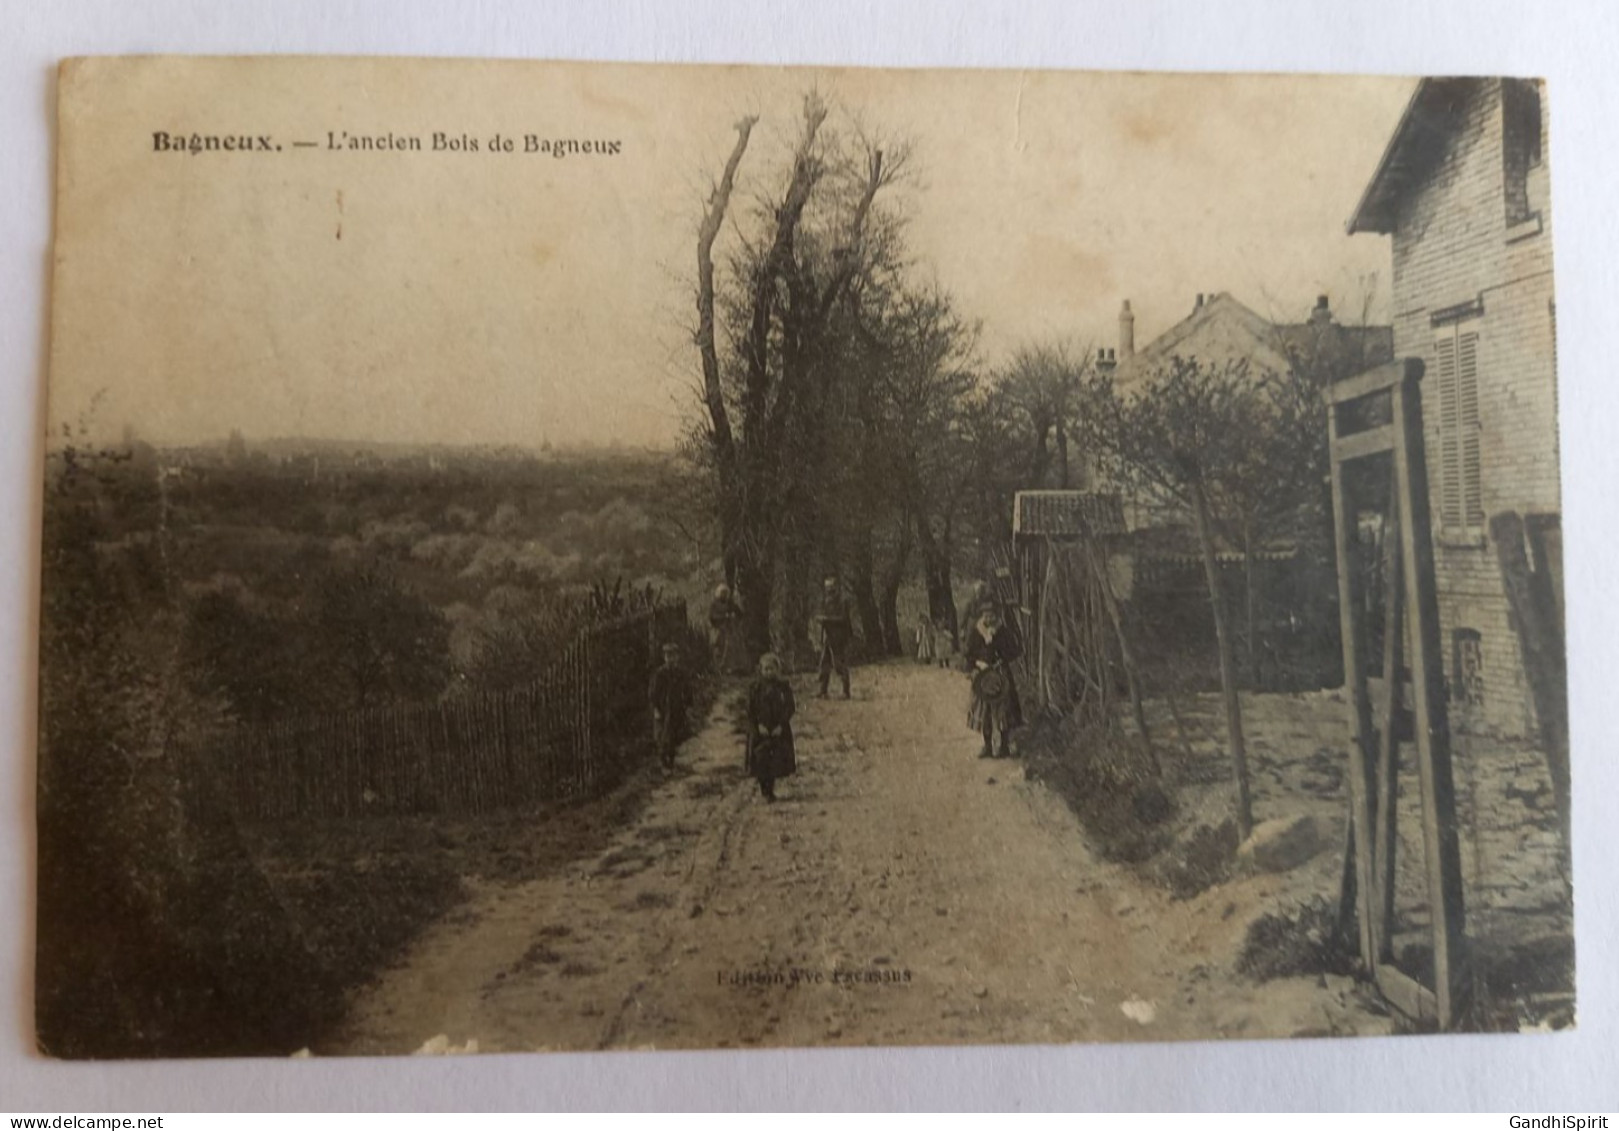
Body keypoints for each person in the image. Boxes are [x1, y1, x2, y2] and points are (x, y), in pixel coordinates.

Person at [965, 604, 1024, 759]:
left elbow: (1014, 651)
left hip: (1000, 674)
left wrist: (1000, 658)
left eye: (991, 615)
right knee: (984, 711)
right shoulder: (976, 633)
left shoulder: (1002, 631)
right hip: (982, 676)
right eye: (985, 615)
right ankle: (987, 746)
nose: (989, 619)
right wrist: (977, 663)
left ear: (997, 616)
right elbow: (968, 654)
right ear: (981, 616)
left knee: (1003, 711)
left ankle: (1004, 746)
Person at [745, 652, 797, 802]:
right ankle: (764, 790)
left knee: (774, 759)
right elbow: (750, 709)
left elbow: (790, 707)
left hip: (778, 729)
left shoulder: (783, 687)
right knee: (760, 758)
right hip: (759, 730)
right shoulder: (755, 687)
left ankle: (771, 789)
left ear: (777, 670)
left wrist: (781, 724)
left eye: (772, 669)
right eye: (766, 669)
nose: (769, 672)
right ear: (760, 670)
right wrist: (758, 725)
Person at [648, 641, 692, 770]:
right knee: (662, 736)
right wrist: (656, 709)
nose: (671, 659)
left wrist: (688, 705)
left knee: (674, 736)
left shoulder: (681, 673)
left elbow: (688, 690)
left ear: (677, 657)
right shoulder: (659, 674)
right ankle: (663, 762)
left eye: (673, 656)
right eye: (668, 656)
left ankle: (671, 761)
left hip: (677, 708)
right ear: (664, 657)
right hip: (663, 709)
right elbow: (653, 693)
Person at [814, 574, 852, 700]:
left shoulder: (843, 601)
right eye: (827, 588)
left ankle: (846, 692)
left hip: (840, 636)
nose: (829, 590)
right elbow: (821, 616)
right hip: (828, 636)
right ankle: (823, 690)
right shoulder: (825, 601)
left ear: (837, 587)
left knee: (839, 663)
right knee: (824, 662)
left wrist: (826, 619)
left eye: (832, 587)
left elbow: (843, 619)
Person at [707, 583, 743, 675]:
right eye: (722, 593)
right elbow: (712, 617)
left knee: (731, 647)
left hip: (730, 629)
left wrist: (734, 617)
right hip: (718, 629)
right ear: (718, 593)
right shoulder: (714, 604)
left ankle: (732, 668)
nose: (724, 595)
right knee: (718, 648)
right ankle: (718, 667)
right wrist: (723, 617)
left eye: (726, 593)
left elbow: (739, 613)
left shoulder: (730, 603)